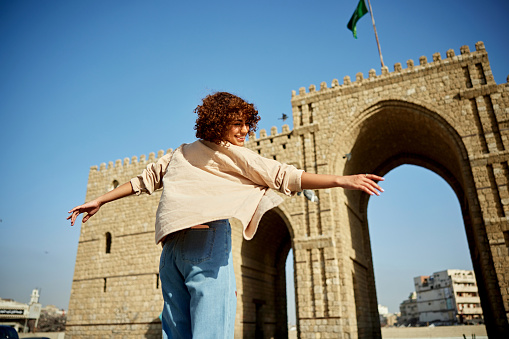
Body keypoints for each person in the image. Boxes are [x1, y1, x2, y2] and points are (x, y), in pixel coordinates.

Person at [68, 92, 384, 338]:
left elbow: (142, 182)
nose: (246, 131)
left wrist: (99, 200)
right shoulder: (233, 155)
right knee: (211, 331)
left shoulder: (178, 153)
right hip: (205, 243)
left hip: (170, 253)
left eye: (248, 124)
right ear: (218, 123)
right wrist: (342, 179)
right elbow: (285, 176)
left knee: (177, 333)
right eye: (238, 124)